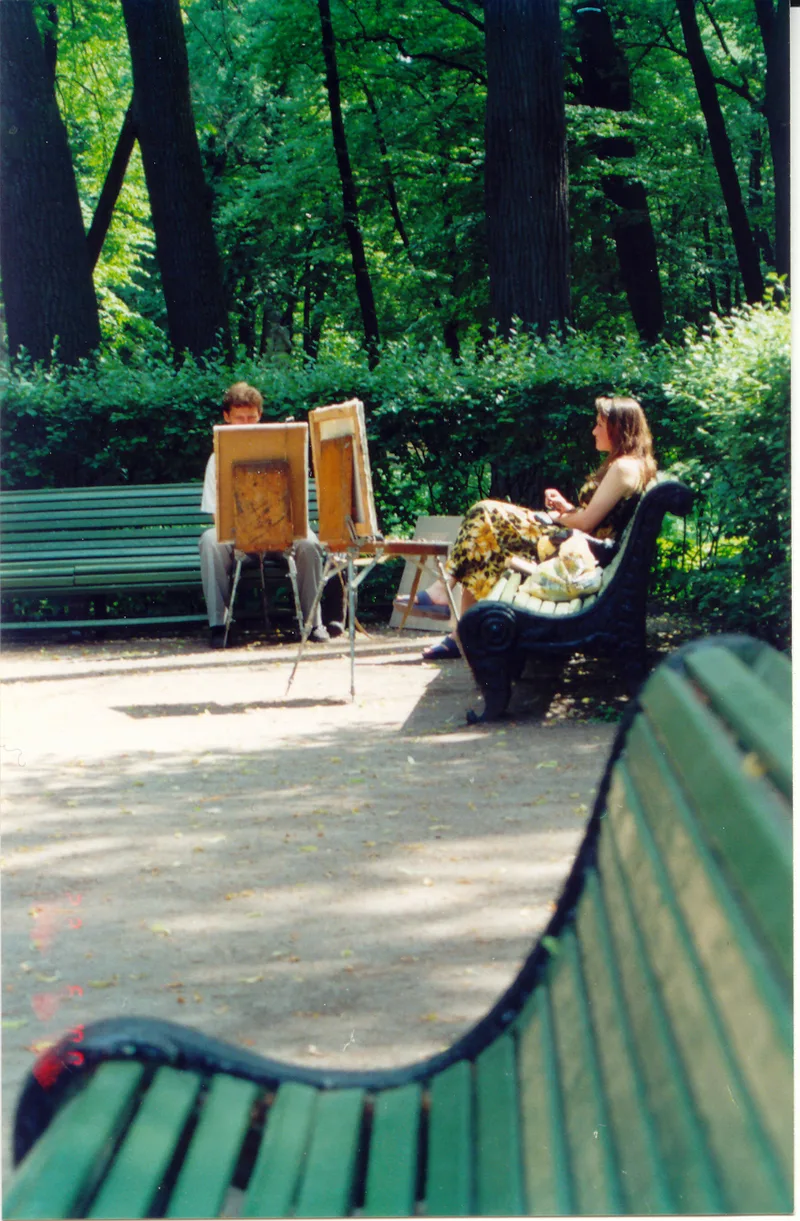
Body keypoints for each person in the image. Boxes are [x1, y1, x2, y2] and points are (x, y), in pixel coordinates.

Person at [408, 395, 656, 659]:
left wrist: (559, 517)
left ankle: (446, 598)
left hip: (575, 553)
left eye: (599, 425)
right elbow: (593, 518)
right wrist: (566, 508)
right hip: (574, 543)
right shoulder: (628, 465)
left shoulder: (623, 468)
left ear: (618, 428)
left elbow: (586, 524)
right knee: (482, 537)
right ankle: (458, 630)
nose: (594, 431)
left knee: (484, 513)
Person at [199, 382, 345, 648]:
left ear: (260, 416)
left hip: (283, 532)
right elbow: (215, 517)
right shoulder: (216, 459)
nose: (246, 424)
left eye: (251, 418)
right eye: (239, 418)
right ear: (227, 418)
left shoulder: (282, 450)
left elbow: (299, 501)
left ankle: (314, 623)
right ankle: (218, 625)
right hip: (237, 536)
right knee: (210, 541)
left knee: (310, 542)